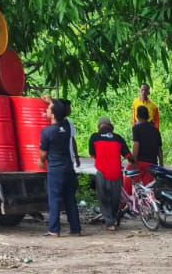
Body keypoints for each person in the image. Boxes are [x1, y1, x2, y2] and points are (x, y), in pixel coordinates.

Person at [40, 99, 81, 237]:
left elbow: (43, 153)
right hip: (69, 168)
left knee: (55, 199)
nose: (46, 110)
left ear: (53, 114)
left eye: (48, 109)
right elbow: (62, 114)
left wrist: (41, 161)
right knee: (70, 199)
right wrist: (51, 101)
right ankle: (75, 229)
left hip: (55, 170)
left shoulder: (47, 132)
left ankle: (54, 230)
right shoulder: (67, 127)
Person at [88, 117, 131, 230]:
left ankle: (110, 222)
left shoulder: (94, 137)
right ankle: (113, 218)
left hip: (102, 172)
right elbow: (128, 156)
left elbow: (93, 155)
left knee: (104, 198)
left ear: (99, 126)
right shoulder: (117, 138)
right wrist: (135, 163)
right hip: (116, 173)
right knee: (115, 198)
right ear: (110, 127)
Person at [131, 105, 162, 175]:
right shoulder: (156, 130)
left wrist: (133, 164)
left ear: (137, 116)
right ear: (147, 116)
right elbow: (159, 149)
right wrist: (161, 165)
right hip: (153, 164)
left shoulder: (136, 128)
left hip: (141, 164)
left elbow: (136, 146)